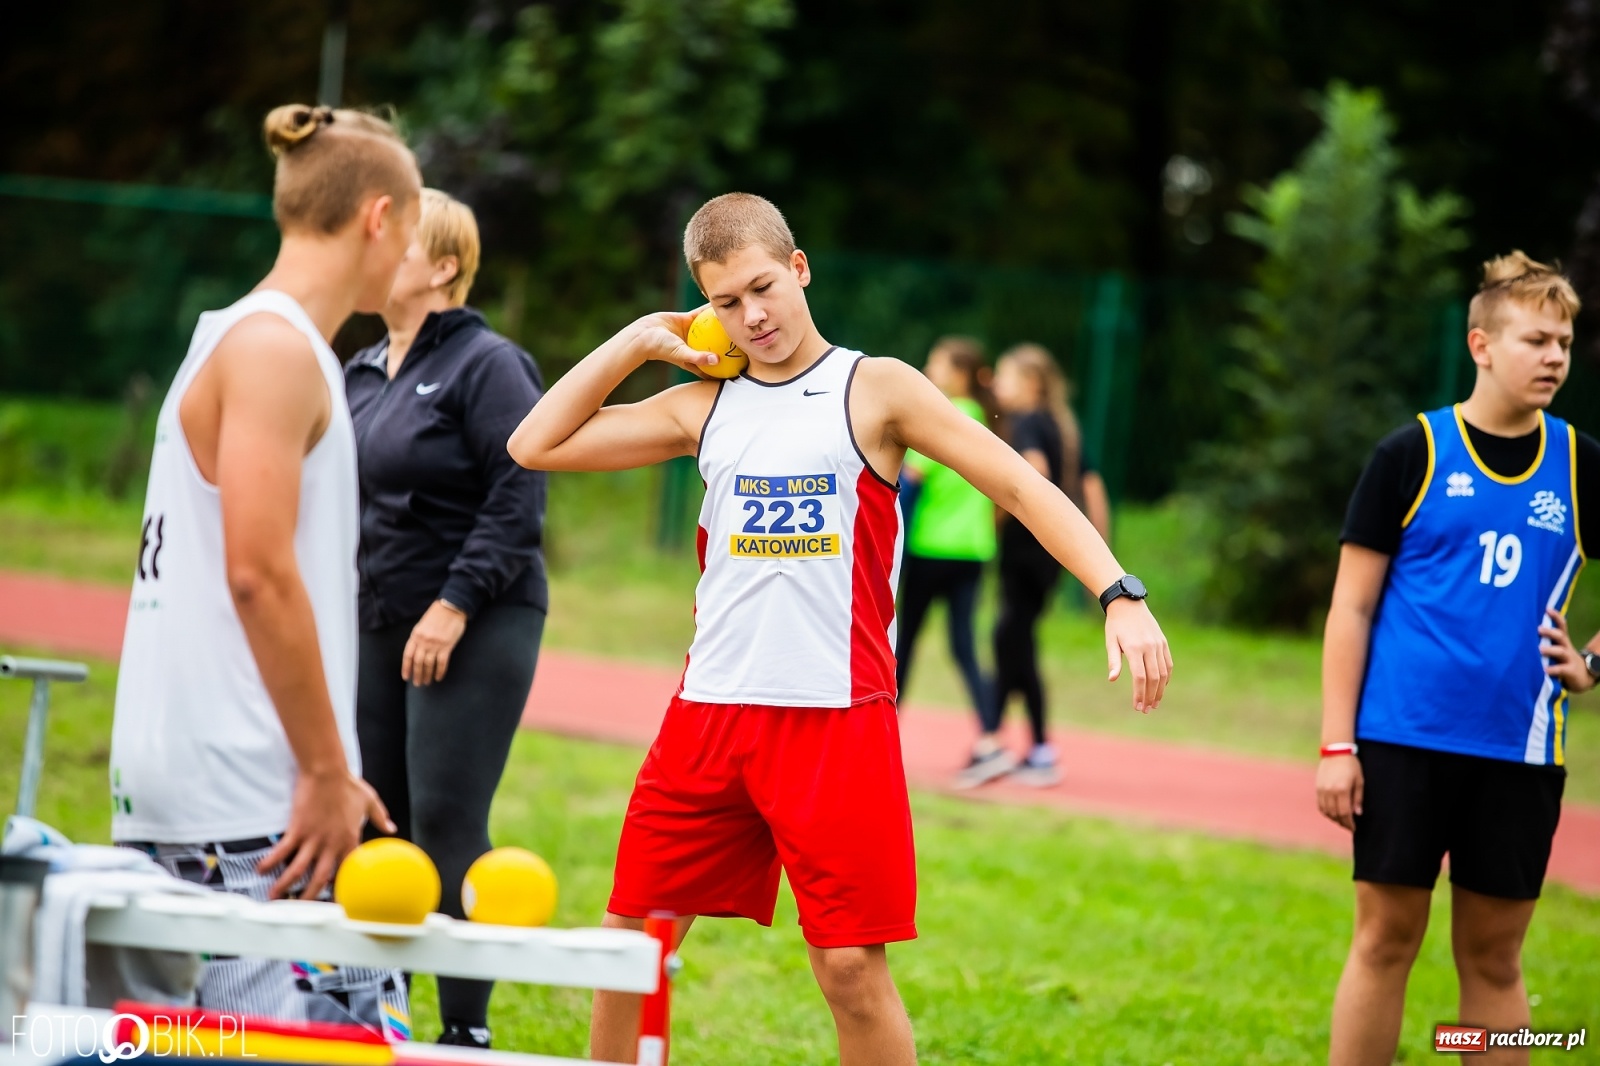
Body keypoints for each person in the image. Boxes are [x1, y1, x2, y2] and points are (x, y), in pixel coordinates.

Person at [508, 192, 1171, 1065]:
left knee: (850, 967)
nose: (752, 317)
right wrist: (638, 340)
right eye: (724, 302)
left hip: (835, 717)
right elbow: (535, 443)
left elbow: (1017, 485)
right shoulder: (700, 409)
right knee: (633, 948)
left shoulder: (877, 388)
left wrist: (1117, 591)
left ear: (799, 268)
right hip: (708, 716)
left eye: (762, 288)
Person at [109, 104, 419, 1030]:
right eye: (409, 226)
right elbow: (258, 572)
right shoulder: (277, 349)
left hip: (209, 780)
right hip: (249, 797)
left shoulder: (238, 336)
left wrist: (333, 765)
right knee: (335, 1048)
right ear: (378, 218)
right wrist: (323, 769)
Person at [1317, 251, 1600, 1066]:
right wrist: (1338, 745)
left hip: (1518, 751)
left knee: (1494, 959)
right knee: (1384, 941)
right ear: (1481, 344)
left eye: (1566, 343)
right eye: (1536, 340)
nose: (1554, 358)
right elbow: (1352, 607)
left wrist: (1590, 665)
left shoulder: (1580, 464)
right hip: (1402, 741)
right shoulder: (1410, 454)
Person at [344, 189, 547, 1049]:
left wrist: (454, 605)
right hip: (380, 614)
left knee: (446, 822)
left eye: (401, 242)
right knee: (371, 817)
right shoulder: (357, 368)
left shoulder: (488, 364)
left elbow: (519, 493)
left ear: (445, 266)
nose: (378, 250)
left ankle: (465, 1033)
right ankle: (371, 1016)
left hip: (477, 617)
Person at [959, 344, 1112, 788]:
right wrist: (1099, 546)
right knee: (1013, 641)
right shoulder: (1062, 426)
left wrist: (995, 517)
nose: (997, 386)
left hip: (1027, 551)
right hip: (1052, 555)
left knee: (1012, 640)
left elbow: (1033, 475)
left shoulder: (1026, 423)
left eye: (1004, 377)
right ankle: (994, 740)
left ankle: (1034, 746)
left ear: (1031, 384)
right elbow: (1092, 486)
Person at [895, 337, 997, 724]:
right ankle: (991, 736)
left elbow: (910, 481)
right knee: (965, 648)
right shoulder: (983, 418)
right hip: (972, 550)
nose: (928, 371)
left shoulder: (944, 417)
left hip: (930, 548)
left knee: (902, 645)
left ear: (960, 375)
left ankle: (884, 730)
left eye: (935, 365)